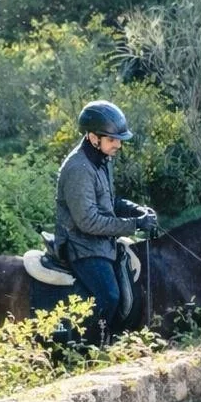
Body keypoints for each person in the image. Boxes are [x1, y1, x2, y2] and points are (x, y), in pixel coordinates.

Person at [55, 100, 159, 345]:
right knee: (110, 296)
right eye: (113, 140)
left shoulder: (101, 161)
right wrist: (134, 225)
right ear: (93, 137)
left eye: (118, 140)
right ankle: (93, 346)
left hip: (100, 243)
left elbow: (109, 201)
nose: (118, 145)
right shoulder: (78, 168)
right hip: (81, 245)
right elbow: (88, 221)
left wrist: (136, 210)